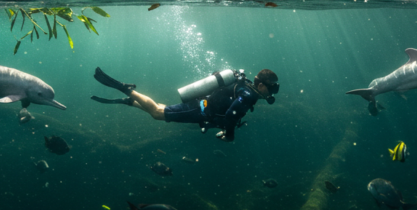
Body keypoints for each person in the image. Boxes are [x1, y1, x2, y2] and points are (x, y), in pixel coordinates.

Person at [90, 67, 279, 142]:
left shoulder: (245, 86)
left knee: (162, 109)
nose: (271, 93)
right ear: (260, 85)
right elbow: (231, 115)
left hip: (201, 107)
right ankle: (127, 90)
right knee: (157, 112)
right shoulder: (248, 95)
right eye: (271, 89)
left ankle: (132, 101)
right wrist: (230, 134)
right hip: (200, 110)